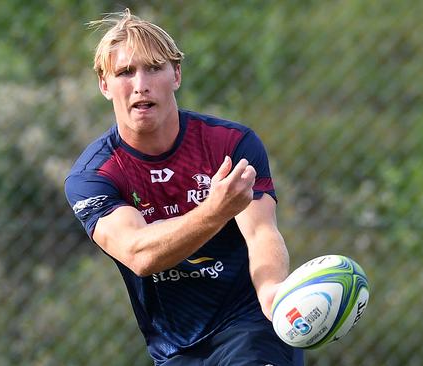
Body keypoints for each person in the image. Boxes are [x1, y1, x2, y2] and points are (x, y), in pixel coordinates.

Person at [64, 8, 304, 366]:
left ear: (175, 75)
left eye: (154, 68)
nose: (140, 84)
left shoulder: (230, 144)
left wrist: (271, 290)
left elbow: (261, 233)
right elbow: (140, 255)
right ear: (104, 84)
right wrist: (215, 210)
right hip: (174, 349)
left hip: (251, 327)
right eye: (126, 72)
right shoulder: (94, 175)